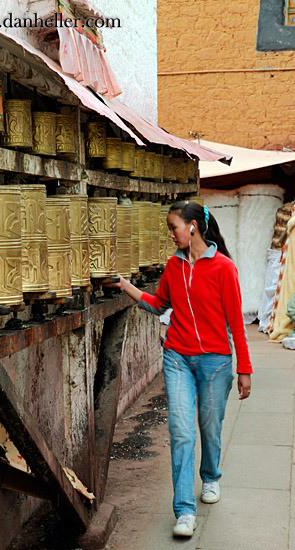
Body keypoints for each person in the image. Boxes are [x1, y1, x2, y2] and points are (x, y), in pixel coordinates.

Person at [106, 200, 252, 538]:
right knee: (182, 432)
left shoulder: (223, 268)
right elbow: (159, 305)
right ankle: (185, 511)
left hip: (216, 362)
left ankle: (211, 475)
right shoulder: (174, 266)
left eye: (173, 227)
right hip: (178, 358)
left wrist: (244, 368)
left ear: (192, 227)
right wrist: (127, 286)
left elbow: (236, 322)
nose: (171, 234)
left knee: (210, 427)